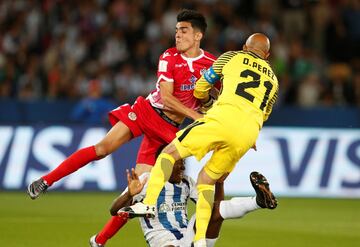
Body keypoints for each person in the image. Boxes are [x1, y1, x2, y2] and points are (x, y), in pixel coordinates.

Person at [27, 9, 218, 246]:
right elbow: (167, 98)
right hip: (147, 111)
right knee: (102, 149)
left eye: (184, 30)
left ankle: (98, 240)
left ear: (198, 35)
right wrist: (196, 115)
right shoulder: (169, 56)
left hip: (167, 130)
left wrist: (212, 105)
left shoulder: (212, 65)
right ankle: (46, 180)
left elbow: (220, 98)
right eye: (176, 30)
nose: (177, 35)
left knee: (139, 191)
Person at [120, 33, 279, 247]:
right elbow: (263, 114)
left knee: (169, 153)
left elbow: (201, 87)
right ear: (267, 55)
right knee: (207, 181)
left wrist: (205, 100)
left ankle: (148, 204)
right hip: (248, 134)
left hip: (222, 118)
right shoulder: (274, 81)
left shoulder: (231, 56)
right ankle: (200, 240)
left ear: (244, 47)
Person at [89, 158, 277, 247]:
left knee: (206, 213)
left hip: (190, 238)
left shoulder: (187, 182)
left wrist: (219, 182)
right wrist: (129, 194)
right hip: (164, 244)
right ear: (165, 165)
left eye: (183, 163)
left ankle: (259, 201)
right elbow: (114, 210)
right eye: (179, 164)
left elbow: (215, 210)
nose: (183, 167)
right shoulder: (146, 181)